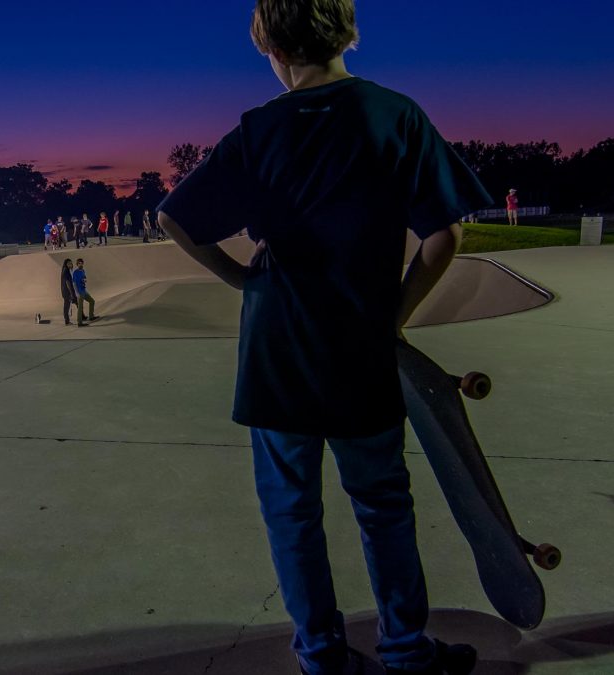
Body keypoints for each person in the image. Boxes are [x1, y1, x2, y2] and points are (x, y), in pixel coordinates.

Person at [156, 2, 491, 674]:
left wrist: (240, 280)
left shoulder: (258, 130)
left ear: (272, 48)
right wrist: (393, 312)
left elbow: (175, 217)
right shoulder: (393, 115)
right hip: (358, 342)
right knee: (382, 501)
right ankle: (403, 645)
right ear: (345, 33)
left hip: (276, 348)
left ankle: (320, 651)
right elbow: (444, 234)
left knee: (291, 509)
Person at [72, 258, 98, 326]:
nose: (80, 264)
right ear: (77, 264)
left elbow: (84, 278)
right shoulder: (75, 272)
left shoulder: (83, 271)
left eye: (81, 263)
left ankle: (91, 316)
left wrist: (84, 280)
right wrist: (76, 293)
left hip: (84, 291)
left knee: (92, 301)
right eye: (79, 263)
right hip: (79, 292)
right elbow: (74, 283)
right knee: (80, 307)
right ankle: (79, 323)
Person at [60, 258, 78, 325]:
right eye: (69, 263)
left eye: (71, 263)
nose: (71, 264)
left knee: (67, 305)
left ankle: (67, 320)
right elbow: (67, 283)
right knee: (68, 305)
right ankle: (68, 321)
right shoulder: (66, 271)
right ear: (66, 264)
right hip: (67, 292)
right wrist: (72, 293)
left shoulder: (65, 270)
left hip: (65, 291)